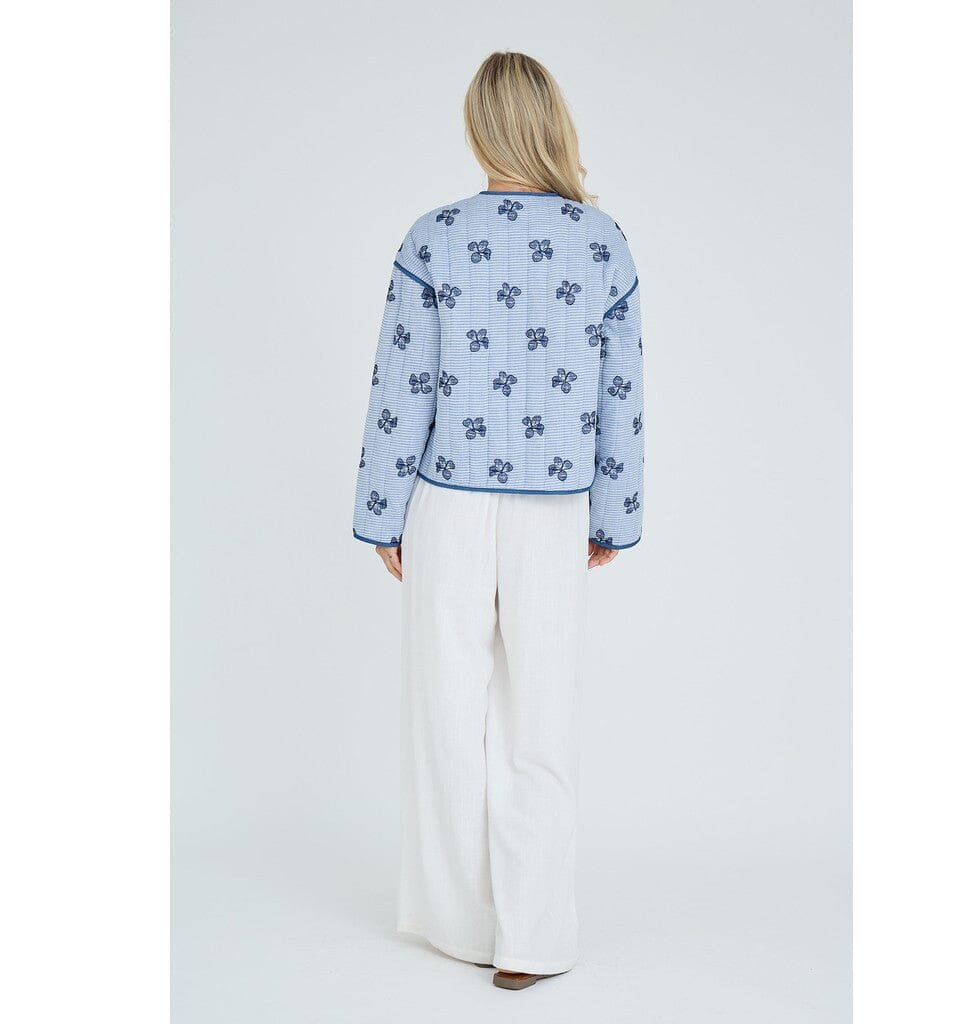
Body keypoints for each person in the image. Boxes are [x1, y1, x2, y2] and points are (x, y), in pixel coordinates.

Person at [352, 51, 644, 990]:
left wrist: (384, 513)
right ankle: (533, 940)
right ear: (551, 122)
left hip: (449, 503)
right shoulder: (602, 243)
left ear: (480, 126)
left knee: (447, 715)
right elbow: (622, 394)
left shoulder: (433, 237)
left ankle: (464, 926)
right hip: (553, 511)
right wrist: (613, 513)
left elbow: (401, 387)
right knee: (539, 719)